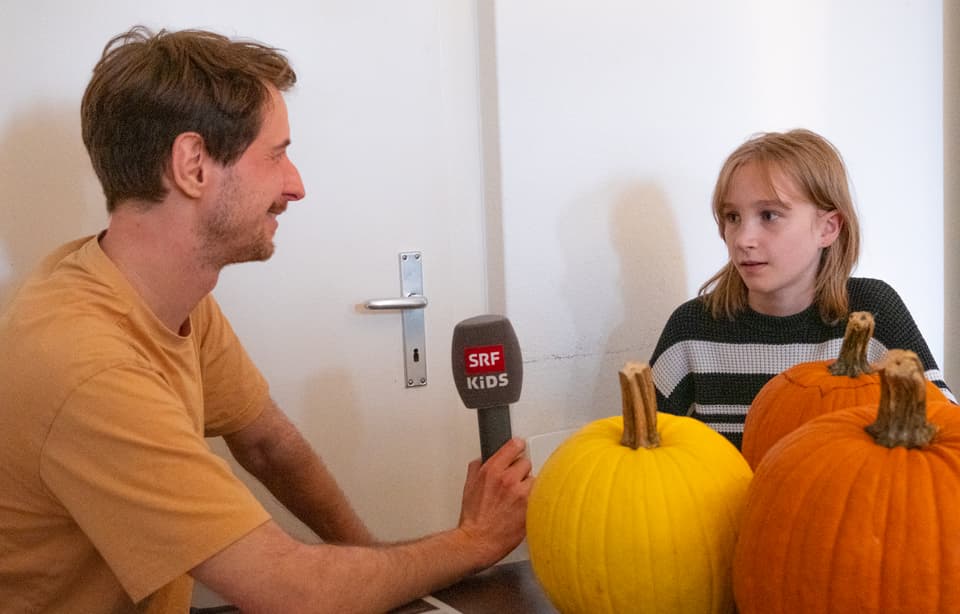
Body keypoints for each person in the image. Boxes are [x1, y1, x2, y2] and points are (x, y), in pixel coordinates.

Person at [0, 26, 532, 613]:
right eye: (276, 155)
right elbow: (293, 593)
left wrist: (375, 567)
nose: (296, 185)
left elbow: (271, 445)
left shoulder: (161, 295)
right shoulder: (87, 365)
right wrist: (475, 542)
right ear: (193, 165)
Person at [649, 128, 954, 450]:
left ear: (828, 228)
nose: (742, 239)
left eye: (769, 215)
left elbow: (945, 434)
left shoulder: (874, 313)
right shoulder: (691, 330)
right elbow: (646, 460)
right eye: (732, 217)